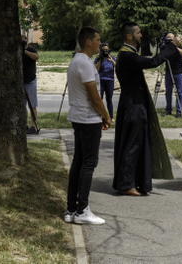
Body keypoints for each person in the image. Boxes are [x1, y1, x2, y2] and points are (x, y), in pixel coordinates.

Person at [113, 21, 180, 196]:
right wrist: (172, 46)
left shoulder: (127, 54)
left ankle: (134, 182)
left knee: (137, 143)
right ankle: (126, 184)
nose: (141, 35)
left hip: (134, 105)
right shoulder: (127, 56)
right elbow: (153, 62)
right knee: (132, 144)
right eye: (138, 33)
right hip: (133, 107)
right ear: (129, 36)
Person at [64, 26, 112, 226]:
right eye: (98, 40)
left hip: (80, 117)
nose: (101, 44)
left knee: (79, 161)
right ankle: (82, 210)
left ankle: (71, 209)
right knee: (88, 163)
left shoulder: (78, 60)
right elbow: (95, 97)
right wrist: (106, 116)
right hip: (87, 118)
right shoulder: (84, 62)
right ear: (88, 42)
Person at [161, 33, 182, 118]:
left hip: (178, 71)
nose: (171, 41)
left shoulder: (178, 45)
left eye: (172, 39)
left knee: (179, 92)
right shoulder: (166, 47)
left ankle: (179, 112)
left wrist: (175, 47)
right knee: (168, 91)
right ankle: (168, 110)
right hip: (169, 71)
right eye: (169, 39)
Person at [22, 35, 40, 134]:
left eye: (24, 41)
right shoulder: (16, 51)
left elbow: (36, 57)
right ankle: (25, 124)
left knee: (32, 105)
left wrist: (25, 51)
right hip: (21, 81)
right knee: (22, 105)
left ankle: (33, 126)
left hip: (30, 80)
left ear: (27, 41)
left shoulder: (31, 50)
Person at [94, 42, 116, 118]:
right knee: (100, 99)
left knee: (109, 99)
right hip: (101, 80)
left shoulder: (112, 58)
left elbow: (117, 67)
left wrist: (112, 61)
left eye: (107, 50)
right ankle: (100, 116)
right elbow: (96, 70)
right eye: (104, 50)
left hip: (110, 80)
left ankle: (111, 117)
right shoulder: (98, 58)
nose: (106, 52)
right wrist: (100, 60)